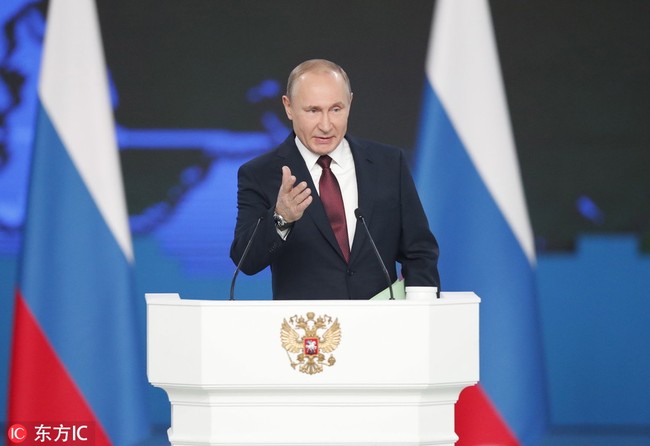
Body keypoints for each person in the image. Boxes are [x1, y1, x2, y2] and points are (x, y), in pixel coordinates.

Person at [230, 59, 439, 300]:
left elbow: (420, 252)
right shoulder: (260, 174)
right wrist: (281, 218)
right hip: (308, 332)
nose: (326, 125)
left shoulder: (389, 164)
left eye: (336, 109)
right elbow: (246, 260)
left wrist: (421, 314)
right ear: (288, 107)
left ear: (350, 102)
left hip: (382, 328)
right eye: (313, 111)